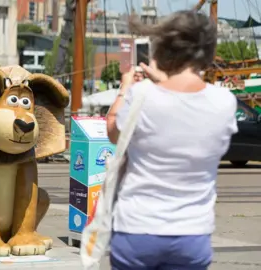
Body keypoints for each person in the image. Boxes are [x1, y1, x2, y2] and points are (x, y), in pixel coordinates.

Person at [106, 11, 238, 270]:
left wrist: (125, 89)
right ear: (208, 51)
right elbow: (183, 104)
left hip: (137, 228)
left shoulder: (142, 95)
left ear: (164, 48)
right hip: (192, 233)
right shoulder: (224, 102)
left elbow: (113, 132)